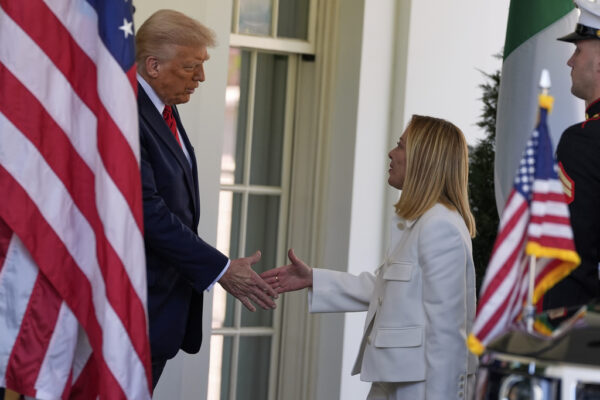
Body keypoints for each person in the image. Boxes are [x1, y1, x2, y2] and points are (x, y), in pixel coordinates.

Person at [262, 115, 478, 399]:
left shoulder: (439, 225)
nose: (391, 153)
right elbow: (384, 289)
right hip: (396, 380)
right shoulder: (421, 221)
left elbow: (449, 335)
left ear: (423, 158)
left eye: (400, 146)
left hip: (422, 387)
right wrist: (313, 278)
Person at [135, 9, 277, 388]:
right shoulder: (128, 113)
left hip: (160, 309)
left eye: (202, 65)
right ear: (153, 65)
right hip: (133, 309)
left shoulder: (164, 108)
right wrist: (221, 269)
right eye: (190, 67)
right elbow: (147, 211)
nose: (201, 77)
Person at [543, 0, 600, 311]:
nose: (570, 61)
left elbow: (570, 263)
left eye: (578, 50)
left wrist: (556, 329)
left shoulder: (584, 141)